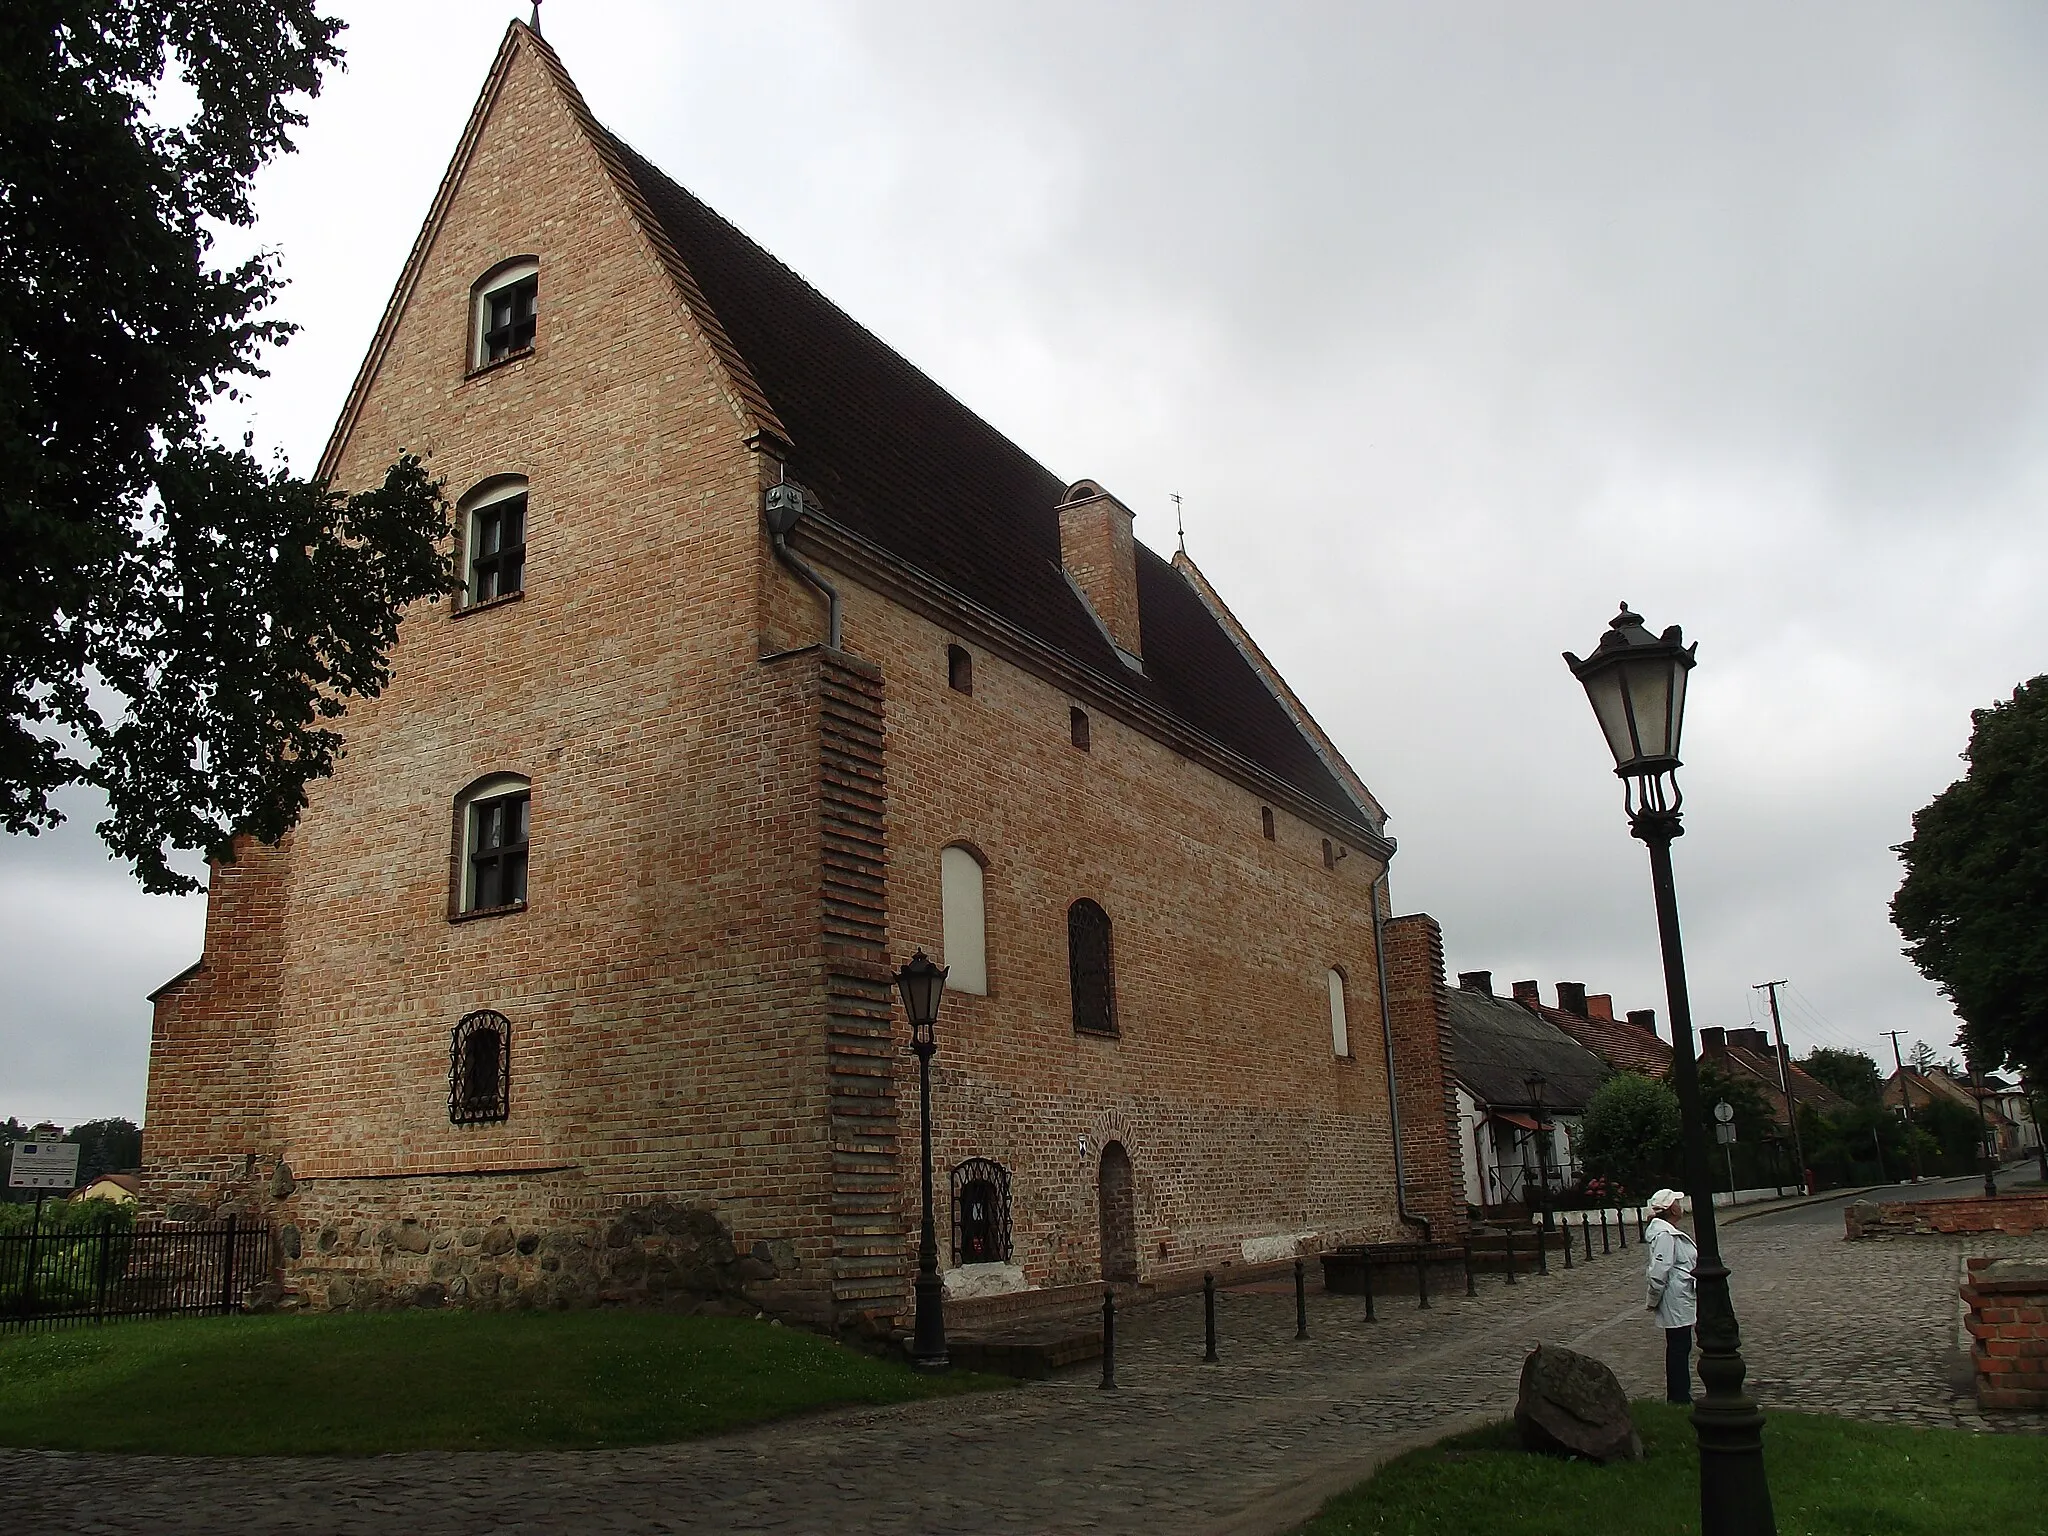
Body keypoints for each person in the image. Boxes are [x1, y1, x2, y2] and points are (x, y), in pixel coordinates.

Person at [1643, 1187, 1698, 1405]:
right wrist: (1653, 1300)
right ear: (1670, 1208)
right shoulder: (1665, 1234)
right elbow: (1659, 1271)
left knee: (1680, 1345)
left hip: (1680, 1295)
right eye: (1676, 1202)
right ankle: (1678, 1396)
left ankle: (1680, 1394)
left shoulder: (1667, 1231)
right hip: (1675, 1297)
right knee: (1678, 1347)